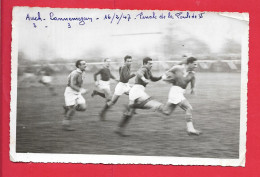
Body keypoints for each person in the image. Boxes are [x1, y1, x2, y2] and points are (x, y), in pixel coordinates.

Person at [115, 57, 163, 136]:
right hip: (137, 90)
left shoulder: (148, 71)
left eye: (152, 63)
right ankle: (130, 106)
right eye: (149, 64)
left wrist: (162, 77)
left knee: (130, 113)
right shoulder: (143, 69)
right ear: (144, 64)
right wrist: (144, 79)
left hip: (136, 90)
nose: (151, 65)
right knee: (149, 103)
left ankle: (119, 129)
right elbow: (139, 73)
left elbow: (153, 79)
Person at [161, 57, 201, 135]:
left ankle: (151, 105)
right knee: (188, 108)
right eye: (194, 64)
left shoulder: (192, 73)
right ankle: (190, 130)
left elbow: (193, 79)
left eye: (197, 64)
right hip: (175, 91)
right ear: (189, 63)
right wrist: (165, 78)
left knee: (167, 112)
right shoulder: (177, 68)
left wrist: (193, 88)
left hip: (179, 93)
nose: (196, 66)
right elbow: (167, 73)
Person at [99, 55, 136, 121]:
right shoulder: (124, 67)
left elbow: (124, 77)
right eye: (128, 61)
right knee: (113, 101)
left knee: (134, 94)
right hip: (121, 86)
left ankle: (129, 109)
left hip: (125, 85)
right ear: (125, 62)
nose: (129, 62)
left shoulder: (127, 67)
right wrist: (133, 74)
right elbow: (125, 78)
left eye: (130, 61)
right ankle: (102, 113)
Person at [62, 60, 88, 131]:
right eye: (83, 64)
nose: (85, 65)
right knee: (72, 110)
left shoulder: (83, 72)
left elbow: (79, 83)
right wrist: (81, 90)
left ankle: (68, 108)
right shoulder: (75, 73)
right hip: (70, 92)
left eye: (85, 64)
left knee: (83, 108)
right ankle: (66, 125)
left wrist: (81, 89)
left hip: (77, 91)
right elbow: (72, 85)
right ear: (79, 66)